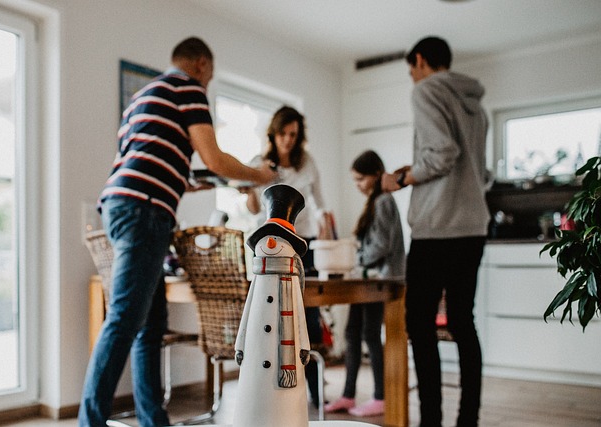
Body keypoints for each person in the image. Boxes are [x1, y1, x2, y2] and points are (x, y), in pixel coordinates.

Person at [78, 37, 276, 427]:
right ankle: (89, 422)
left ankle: (155, 422)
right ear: (201, 64)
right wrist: (259, 176)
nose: (208, 84)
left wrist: (197, 181)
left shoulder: (143, 95)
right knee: (124, 319)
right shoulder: (188, 88)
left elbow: (152, 161)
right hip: (144, 210)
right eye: (211, 76)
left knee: (149, 326)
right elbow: (214, 157)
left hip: (124, 204)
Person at [382, 36, 490, 427]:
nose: (413, 77)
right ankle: (467, 421)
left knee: (420, 323)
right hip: (473, 225)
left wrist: (400, 177)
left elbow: (442, 154)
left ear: (421, 61)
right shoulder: (477, 105)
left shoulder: (427, 90)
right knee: (463, 321)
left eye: (412, 68)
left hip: (437, 228)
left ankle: (431, 421)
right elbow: (481, 172)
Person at [242, 105, 327, 408]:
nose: (288, 140)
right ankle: (264, 391)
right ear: (274, 134)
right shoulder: (259, 165)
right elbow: (253, 210)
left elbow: (320, 205)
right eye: (283, 134)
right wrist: (249, 191)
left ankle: (315, 393)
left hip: (305, 247)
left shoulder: (308, 165)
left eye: (293, 134)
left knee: (310, 320)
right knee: (266, 316)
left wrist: (328, 230)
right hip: (268, 249)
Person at [324, 150, 405, 417]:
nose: (358, 185)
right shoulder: (375, 202)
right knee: (351, 333)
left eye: (361, 179)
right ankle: (348, 394)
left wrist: (354, 257)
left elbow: (381, 246)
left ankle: (381, 396)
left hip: (379, 281)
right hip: (367, 279)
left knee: (370, 335)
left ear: (376, 175)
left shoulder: (383, 202)